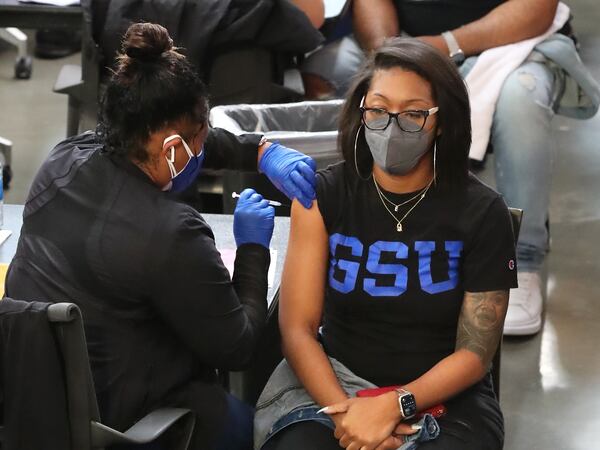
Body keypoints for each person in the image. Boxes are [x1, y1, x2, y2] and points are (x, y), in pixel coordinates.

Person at [4, 23, 317, 450]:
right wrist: (253, 248)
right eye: (201, 137)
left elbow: (195, 143)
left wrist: (256, 150)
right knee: (262, 427)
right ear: (172, 150)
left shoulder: (65, 159)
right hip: (132, 417)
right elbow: (238, 346)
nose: (204, 148)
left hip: (38, 393)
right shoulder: (169, 235)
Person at [254, 38, 517, 450]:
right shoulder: (321, 196)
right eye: (378, 110)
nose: (392, 127)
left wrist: (395, 406)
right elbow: (298, 330)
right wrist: (348, 415)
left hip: (443, 395)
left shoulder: (482, 212)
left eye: (413, 114)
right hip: (333, 382)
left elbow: (474, 355)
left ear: (442, 120)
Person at [301, 0, 600, 335]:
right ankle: (352, 237)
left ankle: (524, 257)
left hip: (511, 42)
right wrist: (393, 54)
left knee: (520, 101)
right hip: (408, 43)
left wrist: (445, 45)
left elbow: (536, 8)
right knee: (329, 72)